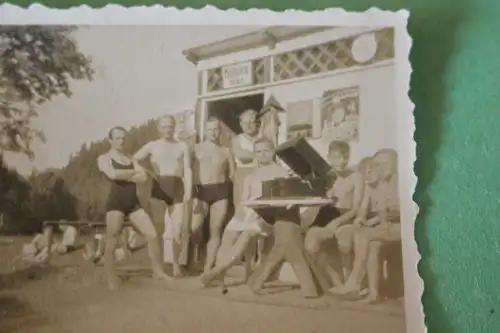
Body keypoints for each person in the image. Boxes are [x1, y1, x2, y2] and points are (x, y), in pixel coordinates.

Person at [199, 138, 288, 290]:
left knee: (247, 233)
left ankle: (216, 271)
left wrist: (256, 215)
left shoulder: (281, 174)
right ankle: (220, 278)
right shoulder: (251, 176)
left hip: (269, 217)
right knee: (229, 233)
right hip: (249, 214)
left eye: (266, 150)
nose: (262, 154)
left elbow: (283, 202)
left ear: (272, 152)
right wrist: (240, 216)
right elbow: (243, 201)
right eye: (258, 152)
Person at [97, 126, 171, 289]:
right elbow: (112, 175)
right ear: (110, 140)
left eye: (123, 138)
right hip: (116, 202)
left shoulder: (130, 158)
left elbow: (144, 177)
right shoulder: (104, 158)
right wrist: (132, 174)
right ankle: (111, 277)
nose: (121, 141)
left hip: (133, 202)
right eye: (117, 138)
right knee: (113, 238)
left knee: (152, 234)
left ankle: (158, 271)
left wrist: (125, 174)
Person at [330, 148, 400, 303]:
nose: (383, 167)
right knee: (373, 245)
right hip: (384, 228)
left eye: (386, 163)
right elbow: (363, 208)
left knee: (364, 235)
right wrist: (361, 219)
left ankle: (354, 283)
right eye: (378, 164)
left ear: (397, 164)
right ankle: (374, 294)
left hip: (403, 227)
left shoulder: (400, 182)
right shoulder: (372, 184)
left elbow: (400, 212)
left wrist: (374, 222)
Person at [133, 116, 192, 277]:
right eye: (164, 127)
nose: (168, 130)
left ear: (174, 128)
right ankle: (157, 268)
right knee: (158, 230)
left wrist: (188, 190)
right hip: (159, 187)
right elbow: (135, 159)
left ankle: (175, 266)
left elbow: (187, 169)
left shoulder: (182, 146)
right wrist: (143, 172)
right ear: (158, 128)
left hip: (177, 187)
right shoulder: (153, 146)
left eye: (171, 126)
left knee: (177, 229)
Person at [303, 141, 366, 286]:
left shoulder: (356, 177)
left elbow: (355, 208)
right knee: (310, 246)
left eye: (346, 157)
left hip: (346, 217)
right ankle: (334, 277)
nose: (342, 162)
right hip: (326, 216)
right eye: (337, 157)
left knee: (344, 243)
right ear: (329, 157)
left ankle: (349, 281)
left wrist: (336, 222)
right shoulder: (324, 176)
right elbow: (313, 201)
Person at [191, 117, 235, 273]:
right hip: (200, 190)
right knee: (194, 227)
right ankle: (194, 256)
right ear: (205, 130)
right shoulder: (196, 149)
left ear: (220, 131)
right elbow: (189, 172)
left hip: (220, 191)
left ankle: (208, 266)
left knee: (215, 228)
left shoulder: (226, 150)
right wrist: (192, 194)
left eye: (216, 129)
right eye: (210, 129)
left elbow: (233, 174)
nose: (213, 133)